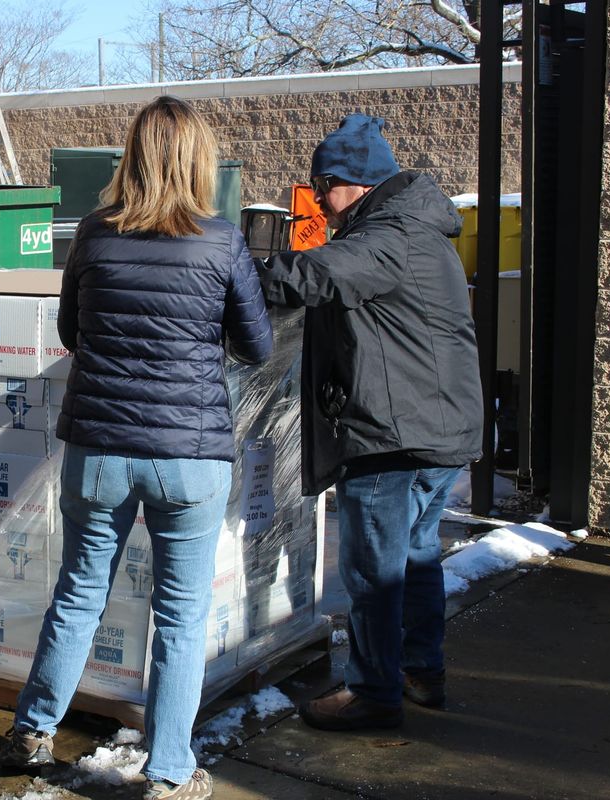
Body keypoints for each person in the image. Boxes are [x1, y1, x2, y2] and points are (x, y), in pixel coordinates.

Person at [0, 96, 273, 800]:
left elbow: (72, 330)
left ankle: (31, 731)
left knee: (80, 591)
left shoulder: (94, 233)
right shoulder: (221, 241)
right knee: (179, 617)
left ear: (132, 158)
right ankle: (170, 773)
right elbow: (257, 344)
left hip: (99, 449)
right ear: (198, 162)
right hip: (190, 453)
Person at [258, 114, 483, 731]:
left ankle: (373, 693)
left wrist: (238, 275)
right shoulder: (414, 225)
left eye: (321, 189)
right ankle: (419, 671)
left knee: (372, 567)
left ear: (350, 182)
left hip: (394, 434)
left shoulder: (389, 234)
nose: (320, 206)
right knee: (413, 556)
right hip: (435, 427)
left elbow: (316, 273)